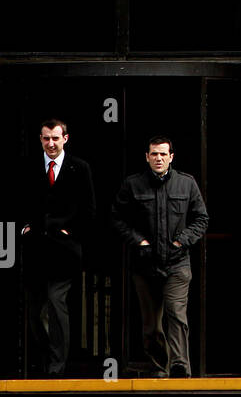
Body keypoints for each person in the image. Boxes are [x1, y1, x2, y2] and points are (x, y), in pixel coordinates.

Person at [110, 135, 208, 378]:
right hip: (144, 264)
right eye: (154, 154)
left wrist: (181, 241)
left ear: (171, 157)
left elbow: (201, 218)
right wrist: (137, 240)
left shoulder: (187, 184)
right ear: (147, 156)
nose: (159, 158)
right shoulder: (133, 185)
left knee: (176, 313)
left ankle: (179, 366)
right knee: (151, 324)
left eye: (163, 154)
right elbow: (116, 218)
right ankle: (159, 366)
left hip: (177, 262)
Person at [20, 118, 96, 378]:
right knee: (33, 312)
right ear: (40, 139)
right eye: (45, 138)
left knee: (55, 302)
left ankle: (57, 366)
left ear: (65, 138)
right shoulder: (29, 166)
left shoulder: (80, 168)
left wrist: (71, 232)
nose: (50, 143)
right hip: (36, 250)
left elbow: (89, 209)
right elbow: (17, 200)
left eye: (55, 138)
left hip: (64, 251)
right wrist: (25, 228)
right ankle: (46, 357)